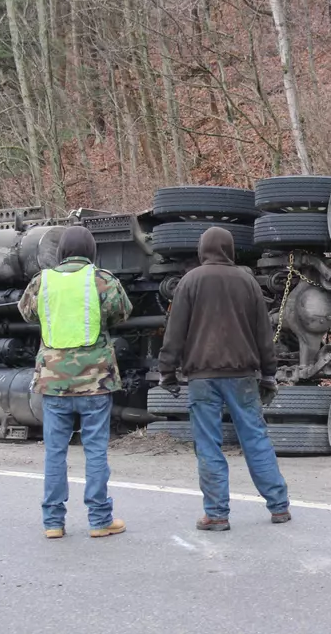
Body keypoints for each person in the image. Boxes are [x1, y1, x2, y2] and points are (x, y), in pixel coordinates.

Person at [158, 226, 290, 531]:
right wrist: (269, 374)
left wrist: (167, 371)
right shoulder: (247, 281)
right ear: (230, 249)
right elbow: (263, 334)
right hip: (243, 375)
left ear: (202, 249)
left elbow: (174, 332)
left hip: (202, 377)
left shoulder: (190, 281)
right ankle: (279, 506)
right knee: (255, 438)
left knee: (208, 444)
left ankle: (216, 514)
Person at [18, 225, 133, 540]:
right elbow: (122, 312)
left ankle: (53, 522)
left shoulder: (42, 281)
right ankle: (99, 520)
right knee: (95, 450)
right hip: (95, 382)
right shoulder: (102, 281)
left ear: (61, 252)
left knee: (55, 451)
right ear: (91, 251)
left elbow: (27, 313)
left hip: (54, 384)